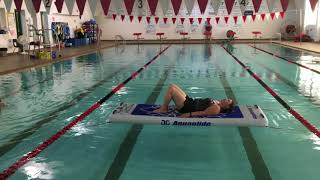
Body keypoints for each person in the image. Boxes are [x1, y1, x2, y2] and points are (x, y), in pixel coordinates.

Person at [154, 84, 234, 118]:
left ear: (227, 106)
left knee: (171, 89)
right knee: (173, 85)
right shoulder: (218, 103)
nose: (226, 99)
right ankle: (164, 107)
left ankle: (164, 108)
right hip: (190, 101)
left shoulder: (216, 108)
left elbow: (203, 113)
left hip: (187, 107)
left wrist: (187, 115)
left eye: (228, 100)